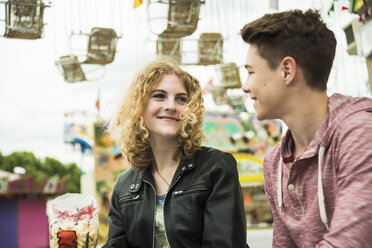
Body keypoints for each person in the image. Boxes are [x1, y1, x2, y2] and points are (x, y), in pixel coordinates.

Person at [240, 9, 372, 247]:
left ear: (287, 71)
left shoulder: (360, 134)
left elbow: (350, 242)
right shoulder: (274, 163)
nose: (245, 86)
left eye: (250, 72)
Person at [103, 60, 248, 248]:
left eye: (181, 99)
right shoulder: (124, 185)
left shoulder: (217, 167)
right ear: (138, 106)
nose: (171, 105)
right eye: (159, 96)